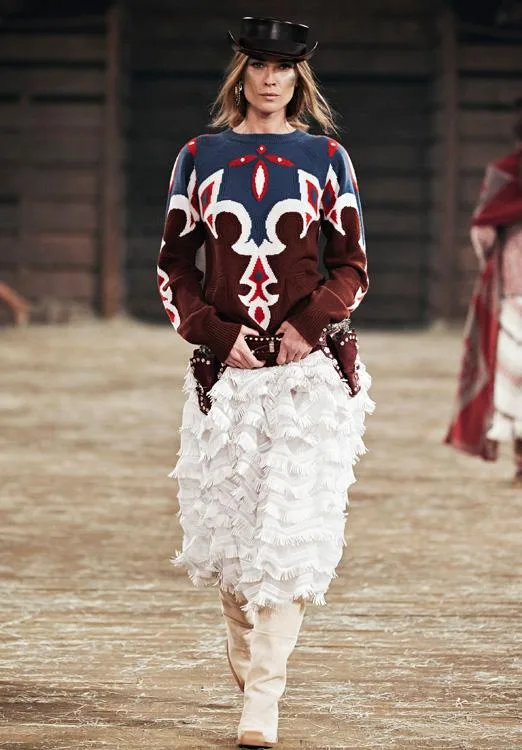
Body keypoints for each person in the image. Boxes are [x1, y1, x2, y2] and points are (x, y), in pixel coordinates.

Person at [157, 17, 373, 748]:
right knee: (229, 536)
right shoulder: (199, 157)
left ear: (299, 78)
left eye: (285, 67)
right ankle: (252, 668)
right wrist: (217, 333)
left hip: (307, 374)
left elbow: (352, 265)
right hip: (227, 376)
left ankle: (264, 702)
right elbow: (174, 265)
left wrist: (305, 327)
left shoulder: (327, 158)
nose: (272, 78)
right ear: (241, 73)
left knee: (291, 534)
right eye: (259, 64)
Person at [445, 105, 522, 485]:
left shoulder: (505, 172)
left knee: (515, 375)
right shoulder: (505, 172)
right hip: (514, 286)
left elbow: (484, 232)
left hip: (514, 283)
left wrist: (491, 256)